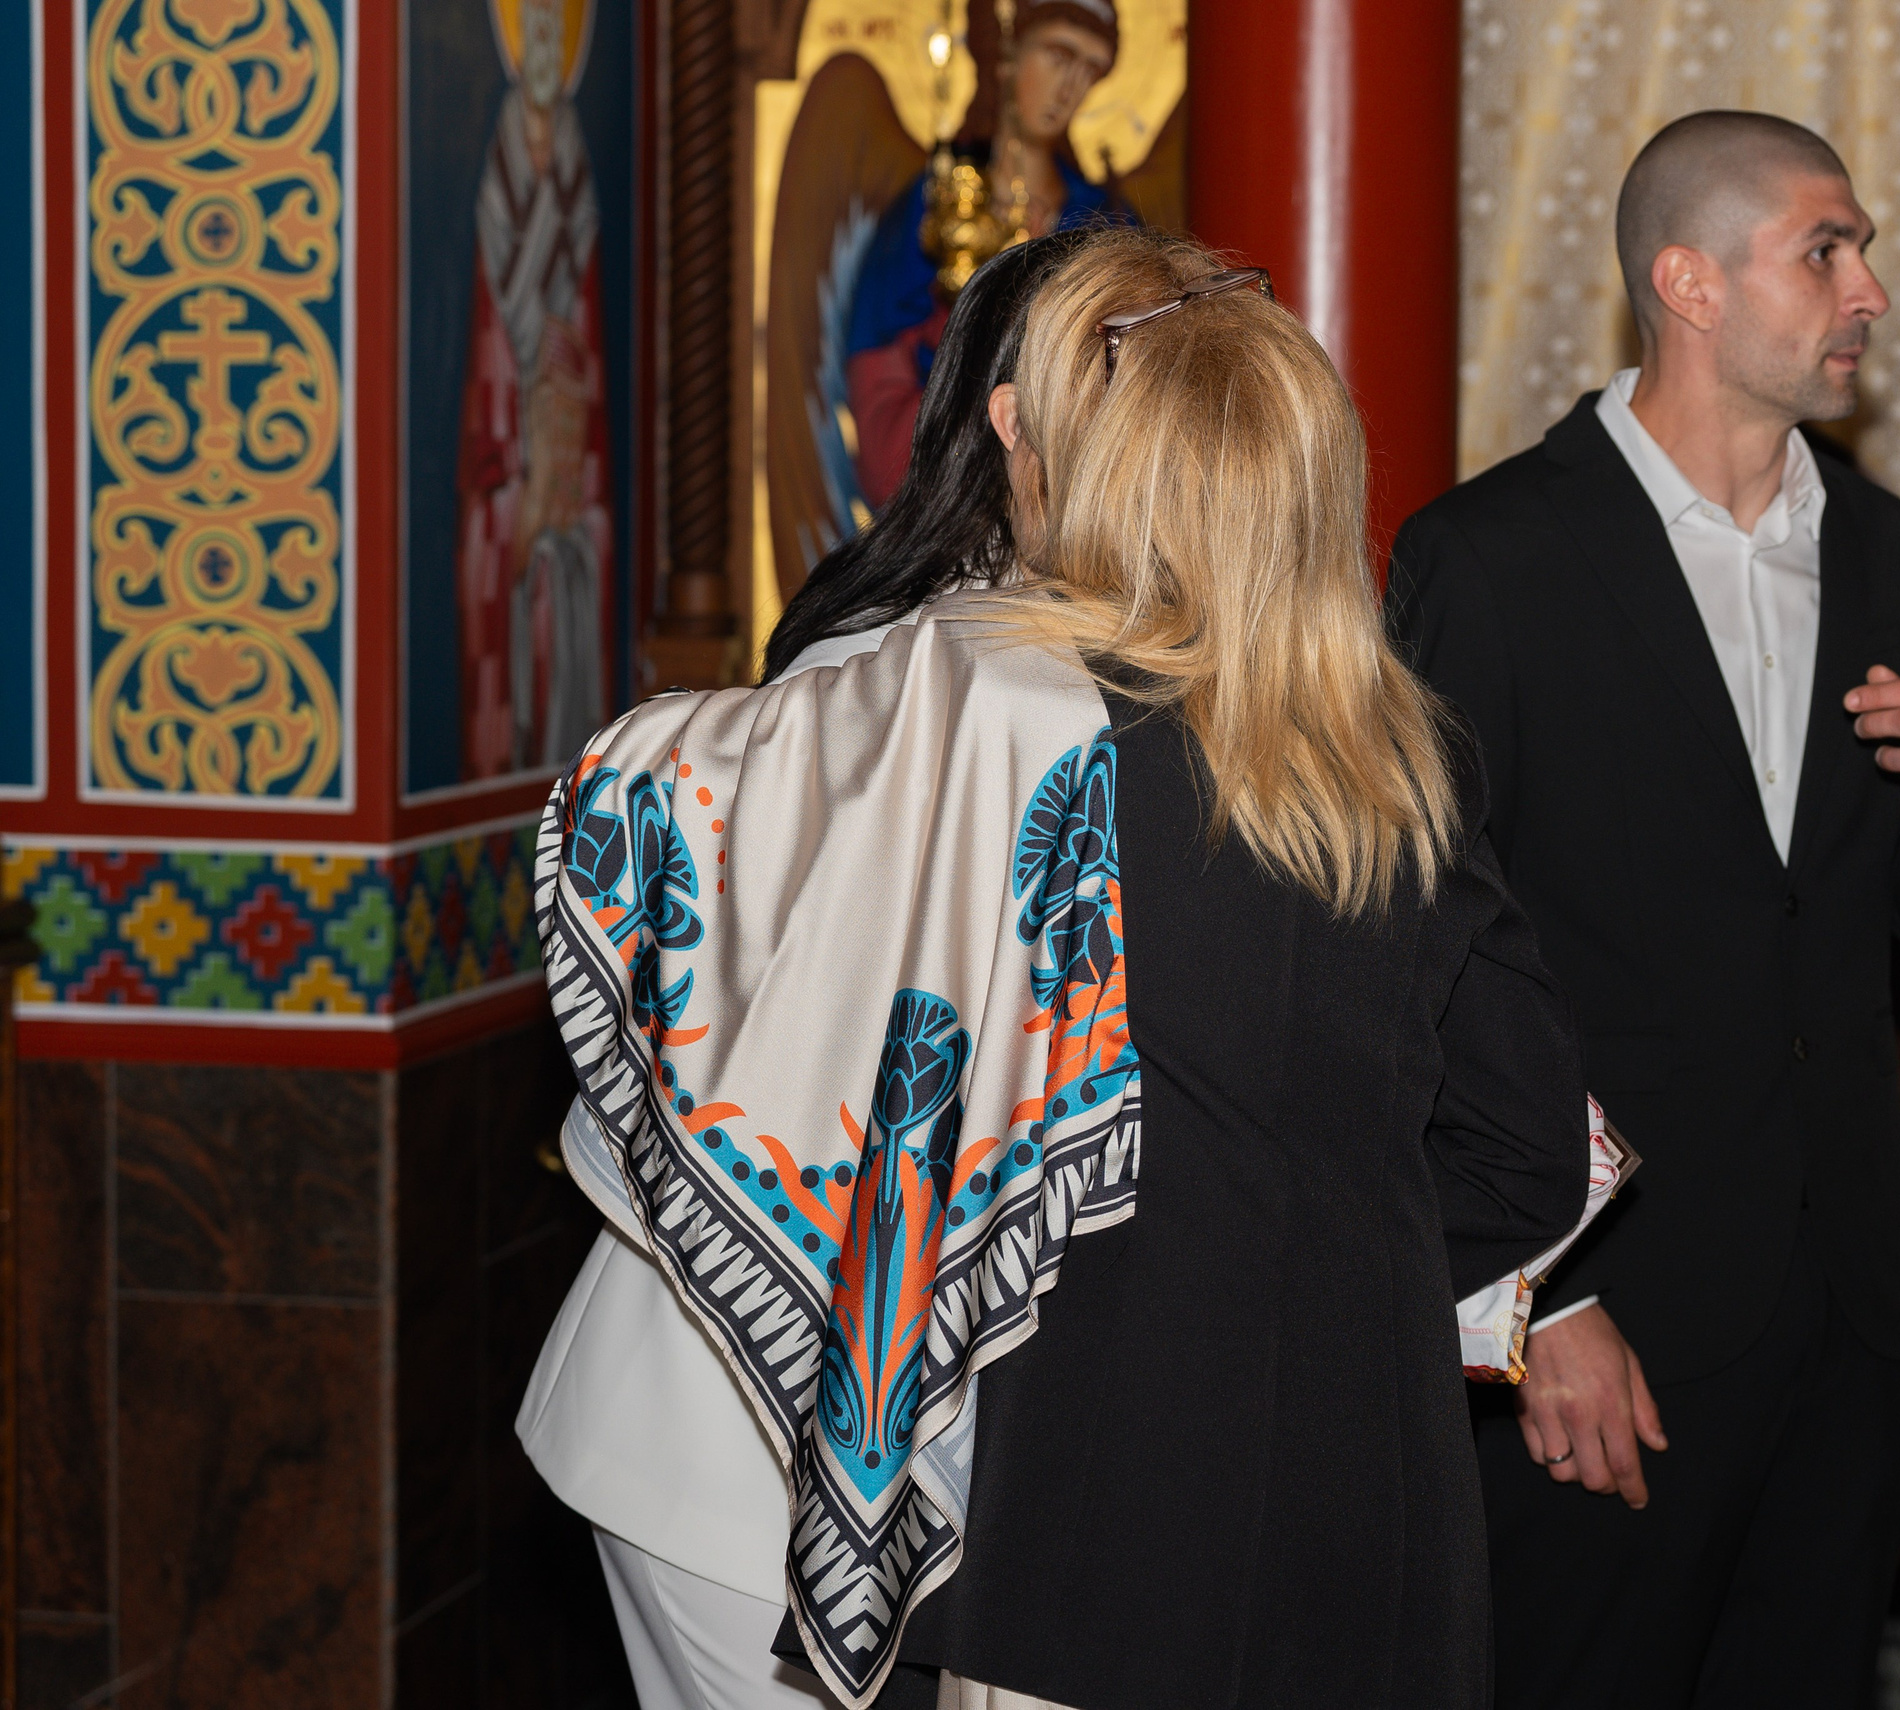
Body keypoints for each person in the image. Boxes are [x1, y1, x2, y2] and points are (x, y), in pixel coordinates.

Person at [522, 222, 1597, 1710]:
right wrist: (1316, 1277)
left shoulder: (970, 695)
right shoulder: (1391, 754)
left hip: (1058, 1468)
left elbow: (633, 811)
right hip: (1305, 1486)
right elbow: (1526, 1151)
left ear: (1026, 428)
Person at [1387, 111, 1900, 1708]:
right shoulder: (1491, 554)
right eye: (1828, 248)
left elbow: (1899, 918)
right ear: (1687, 280)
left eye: (1864, 248)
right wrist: (1538, 1293)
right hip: (1611, 1311)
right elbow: (1421, 952)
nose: (1870, 289)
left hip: (1847, 1312)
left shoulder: (1875, 542)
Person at [844, 0, 1123, 511]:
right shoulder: (934, 205)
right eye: (1058, 55)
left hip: (1056, 493)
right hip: (943, 476)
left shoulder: (1104, 223)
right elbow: (877, 357)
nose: (1070, 86)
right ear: (1008, 54)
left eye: (1090, 69)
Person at [455, 0, 612, 778]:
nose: (547, 51)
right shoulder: (507, 147)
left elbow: (578, 280)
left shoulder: (575, 148)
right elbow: (501, 271)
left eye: (558, 36)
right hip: (509, 390)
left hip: (563, 398)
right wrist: (534, 333)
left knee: (570, 554)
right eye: (536, 36)